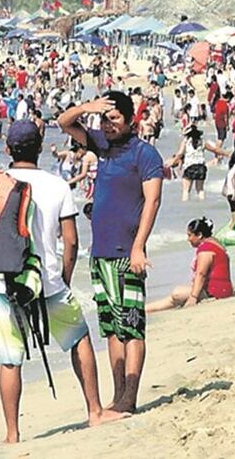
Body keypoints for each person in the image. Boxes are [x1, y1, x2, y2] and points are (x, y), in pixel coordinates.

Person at [0, 119, 122, 443]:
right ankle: (94, 411)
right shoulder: (58, 185)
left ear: (7, 149)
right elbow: (72, 241)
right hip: (48, 280)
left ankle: (12, 434)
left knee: (10, 359)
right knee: (79, 339)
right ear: (39, 147)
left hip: (5, 282)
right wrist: (62, 278)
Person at [56, 91, 163, 414]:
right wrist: (87, 108)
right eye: (104, 119)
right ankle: (118, 397)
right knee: (112, 328)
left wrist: (138, 246)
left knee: (131, 326)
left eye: (114, 118)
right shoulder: (102, 146)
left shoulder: (145, 155)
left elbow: (153, 201)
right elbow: (64, 122)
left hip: (126, 251)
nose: (108, 124)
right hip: (100, 252)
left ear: (131, 120)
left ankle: (130, 397)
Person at [145, 217, 233, 313]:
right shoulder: (214, 244)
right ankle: (144, 309)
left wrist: (193, 297)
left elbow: (201, 274)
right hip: (222, 290)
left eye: (190, 235)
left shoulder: (206, 249)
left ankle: (144, 309)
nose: (188, 239)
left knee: (177, 293)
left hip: (216, 292)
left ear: (199, 235)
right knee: (171, 299)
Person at [168, 124, 227, 201]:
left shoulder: (186, 141)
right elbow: (215, 150)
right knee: (200, 190)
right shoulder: (202, 142)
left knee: (186, 191)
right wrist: (227, 153)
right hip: (201, 167)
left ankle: (185, 208)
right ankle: (203, 205)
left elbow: (180, 154)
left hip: (190, 166)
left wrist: (172, 162)